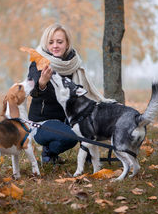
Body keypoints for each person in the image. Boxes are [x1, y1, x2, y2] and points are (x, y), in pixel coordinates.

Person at [27, 23, 110, 164]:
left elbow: (82, 94)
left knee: (93, 120)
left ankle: (90, 153)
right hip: (42, 122)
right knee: (70, 137)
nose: (55, 46)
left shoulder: (73, 63)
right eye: (51, 42)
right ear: (46, 44)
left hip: (69, 117)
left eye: (60, 42)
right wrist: (42, 83)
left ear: (67, 44)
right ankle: (49, 151)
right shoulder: (38, 62)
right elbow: (32, 92)